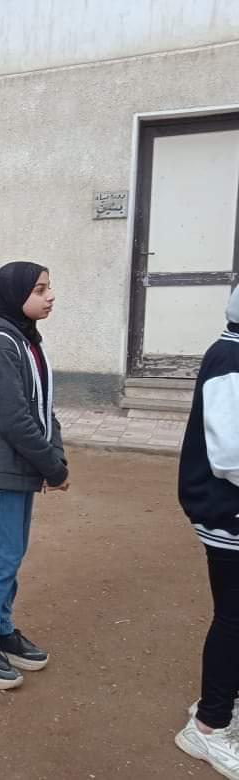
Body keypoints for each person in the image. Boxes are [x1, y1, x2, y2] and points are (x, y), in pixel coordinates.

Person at [0, 261, 69, 690]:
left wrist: (55, 457)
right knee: (2, 555)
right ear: (13, 295)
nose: (50, 296)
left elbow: (44, 408)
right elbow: (15, 418)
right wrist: (52, 467)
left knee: (11, 553)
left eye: (48, 288)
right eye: (40, 289)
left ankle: (1, 629)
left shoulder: (26, 341)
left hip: (18, 465)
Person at [174, 287, 239, 778]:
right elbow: (229, 456)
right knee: (234, 618)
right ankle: (209, 726)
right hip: (227, 514)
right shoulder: (229, 359)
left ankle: (223, 701)